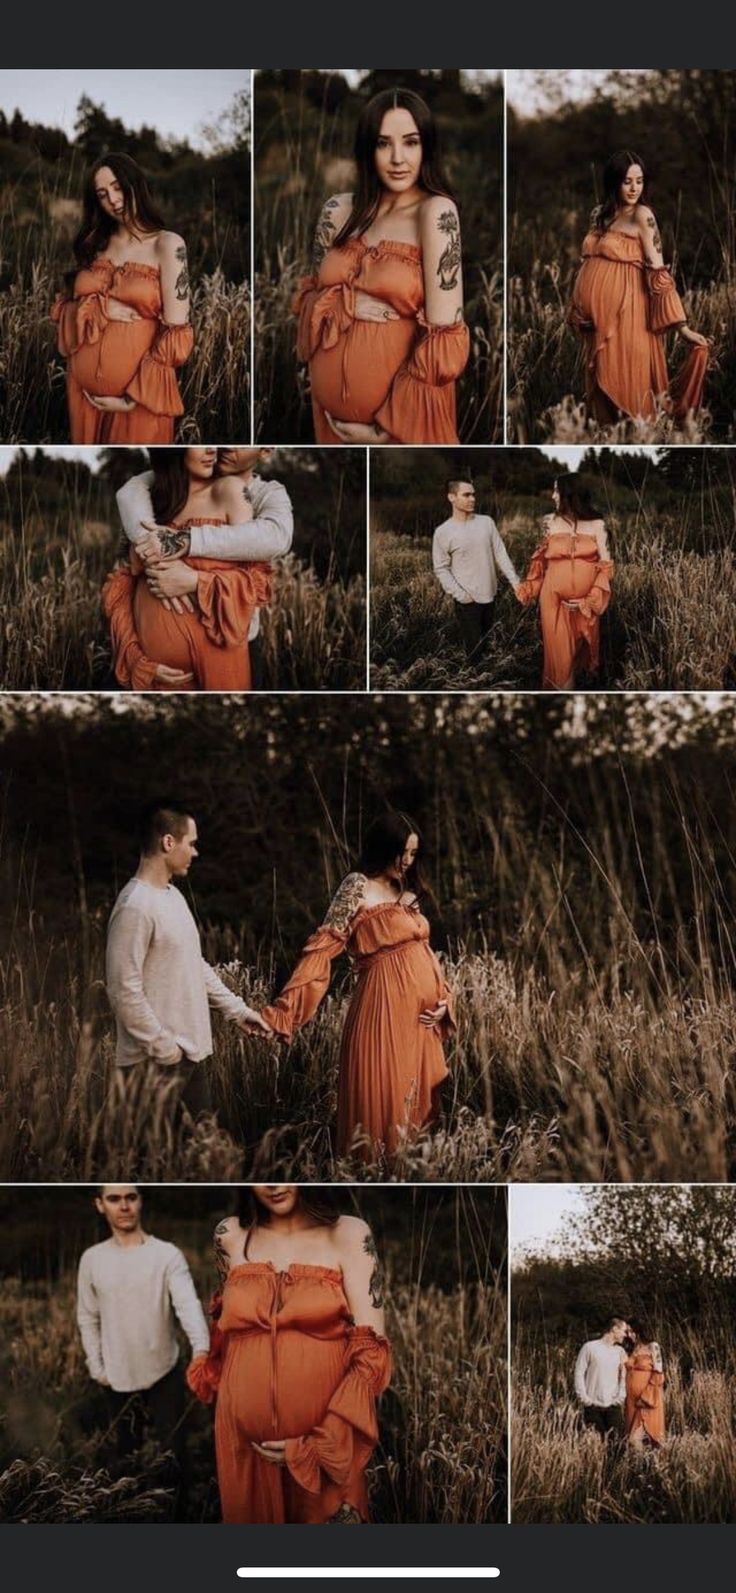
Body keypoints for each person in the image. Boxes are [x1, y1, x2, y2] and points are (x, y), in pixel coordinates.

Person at [250, 811, 455, 1162]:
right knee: (383, 1116)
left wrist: (445, 1001)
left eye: (413, 853)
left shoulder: (407, 891)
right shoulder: (357, 885)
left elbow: (426, 955)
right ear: (383, 848)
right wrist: (285, 1010)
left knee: (415, 1123)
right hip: (382, 1016)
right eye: (402, 852)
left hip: (421, 1024)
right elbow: (321, 949)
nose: (407, 861)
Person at [186, 1184, 392, 1524]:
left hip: (325, 1441)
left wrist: (321, 1441)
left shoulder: (348, 1233)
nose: (273, 1184)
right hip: (244, 1443)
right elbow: (226, 1325)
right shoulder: (230, 1234)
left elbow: (371, 1350)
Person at [294, 88, 469, 445]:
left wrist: (388, 430)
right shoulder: (337, 211)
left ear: (427, 147)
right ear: (366, 149)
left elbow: (445, 337)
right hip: (329, 421)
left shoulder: (435, 213)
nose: (397, 158)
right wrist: (349, 303)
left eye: (411, 142)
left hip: (402, 425)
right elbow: (308, 309)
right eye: (382, 143)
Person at [105, 801, 270, 1120]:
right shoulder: (134, 906)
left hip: (190, 1058)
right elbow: (123, 991)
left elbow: (194, 966)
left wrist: (239, 1012)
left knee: (199, 1161)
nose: (195, 853)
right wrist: (165, 1049)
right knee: (154, 1165)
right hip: (153, 1065)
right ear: (168, 842)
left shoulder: (173, 897)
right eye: (191, 843)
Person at [76, 1184, 209, 1519]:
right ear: (99, 1204)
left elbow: (188, 1306)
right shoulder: (93, 1259)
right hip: (116, 1375)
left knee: (174, 1453)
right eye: (114, 1199)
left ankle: (179, 1518)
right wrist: (97, 1366)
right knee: (125, 1458)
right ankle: (130, 1519)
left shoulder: (166, 1254)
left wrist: (201, 1349)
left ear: (140, 1201)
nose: (124, 1206)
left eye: (131, 1197)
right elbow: (87, 1316)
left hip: (164, 1369)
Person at [114, 446, 293, 691]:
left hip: (226, 651)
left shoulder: (263, 493)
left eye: (242, 443)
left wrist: (190, 569)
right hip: (154, 675)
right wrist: (149, 548)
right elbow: (130, 490)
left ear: (265, 451)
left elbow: (274, 540)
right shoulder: (162, 495)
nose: (225, 447)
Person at [51, 152, 193, 444]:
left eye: (117, 187)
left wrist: (133, 397)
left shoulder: (168, 245)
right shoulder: (94, 243)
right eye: (102, 194)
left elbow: (176, 333)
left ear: (134, 184)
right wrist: (99, 307)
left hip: (139, 400)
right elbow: (62, 308)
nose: (113, 200)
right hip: (83, 394)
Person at [568, 149, 709, 428]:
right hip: (597, 323)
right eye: (627, 181)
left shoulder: (642, 215)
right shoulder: (600, 214)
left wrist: (682, 327)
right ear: (613, 182)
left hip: (629, 316)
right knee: (602, 395)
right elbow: (589, 264)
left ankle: (642, 438)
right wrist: (578, 307)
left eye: (640, 181)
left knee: (631, 388)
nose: (634, 188)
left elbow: (659, 272)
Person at [517, 476, 614, 689]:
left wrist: (589, 600)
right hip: (554, 601)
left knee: (581, 654)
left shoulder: (598, 524)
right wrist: (528, 589)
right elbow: (539, 563)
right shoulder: (548, 522)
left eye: (557, 491)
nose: (552, 496)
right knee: (562, 660)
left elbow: (606, 567)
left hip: (585, 604)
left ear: (570, 495)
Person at [432, 479, 520, 659]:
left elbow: (500, 553)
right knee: (475, 651)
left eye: (473, 494)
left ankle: (490, 681)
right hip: (467, 601)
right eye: (466, 495)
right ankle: (473, 681)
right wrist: (461, 596)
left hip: (491, 595)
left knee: (487, 644)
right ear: (451, 497)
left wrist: (516, 583)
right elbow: (441, 568)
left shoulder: (486, 522)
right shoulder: (443, 532)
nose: (472, 499)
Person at [574, 1316, 628, 1438]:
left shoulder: (620, 1352)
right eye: (623, 1331)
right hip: (593, 1406)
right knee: (595, 1447)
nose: (625, 1335)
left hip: (613, 1407)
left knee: (617, 1446)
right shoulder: (589, 1347)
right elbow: (579, 1373)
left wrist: (620, 1397)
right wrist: (585, 1399)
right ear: (614, 1329)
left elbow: (623, 1377)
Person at [624, 1321, 665, 1449]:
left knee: (638, 1439)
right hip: (631, 1399)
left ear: (639, 1330)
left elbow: (658, 1370)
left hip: (646, 1397)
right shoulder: (630, 1348)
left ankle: (652, 1465)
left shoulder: (653, 1346)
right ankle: (643, 1467)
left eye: (631, 1331)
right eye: (627, 1332)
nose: (628, 1334)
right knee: (635, 1440)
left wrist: (648, 1395)